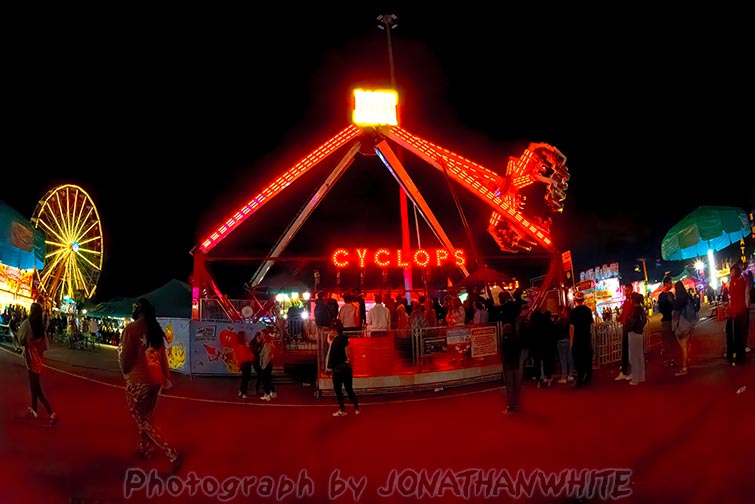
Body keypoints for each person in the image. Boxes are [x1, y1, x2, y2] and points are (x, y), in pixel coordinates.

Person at [118, 298, 181, 473]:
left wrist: (125, 371)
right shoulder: (156, 330)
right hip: (155, 380)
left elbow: (126, 358)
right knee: (144, 415)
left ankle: (171, 452)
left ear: (137, 311)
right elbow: (163, 358)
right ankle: (144, 447)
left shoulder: (132, 329)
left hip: (138, 380)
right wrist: (166, 379)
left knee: (141, 418)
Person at [18, 302, 58, 426]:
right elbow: (45, 345)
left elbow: (21, 340)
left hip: (31, 359)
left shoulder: (27, 325)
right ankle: (34, 410)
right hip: (38, 359)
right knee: (34, 386)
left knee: (36, 388)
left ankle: (51, 413)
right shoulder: (41, 327)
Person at [326, 320, 360, 416]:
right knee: (349, 388)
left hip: (338, 368)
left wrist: (329, 368)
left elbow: (331, 355)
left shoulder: (334, 342)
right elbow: (348, 352)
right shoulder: (345, 339)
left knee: (338, 389)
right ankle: (356, 408)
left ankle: (342, 409)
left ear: (334, 330)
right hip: (347, 367)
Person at [500, 302, 523, 414]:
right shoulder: (515, 339)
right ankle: (516, 404)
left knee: (509, 386)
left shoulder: (505, 341)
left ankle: (511, 406)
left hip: (508, 364)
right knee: (516, 385)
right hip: (515, 363)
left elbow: (504, 353)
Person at [569, 292, 594, 387]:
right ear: (583, 300)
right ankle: (588, 376)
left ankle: (580, 377)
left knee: (578, 358)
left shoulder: (573, 312)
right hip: (586, 337)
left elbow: (572, 328)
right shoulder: (588, 310)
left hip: (577, 338)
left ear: (575, 301)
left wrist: (571, 342)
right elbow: (591, 324)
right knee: (587, 357)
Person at [672, 280, 696, 375]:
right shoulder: (688, 297)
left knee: (683, 347)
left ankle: (684, 367)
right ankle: (689, 360)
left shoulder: (679, 300)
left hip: (683, 325)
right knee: (688, 344)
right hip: (691, 323)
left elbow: (675, 314)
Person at [728, 261, 749, 366]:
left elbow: (734, 297)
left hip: (738, 311)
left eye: (731, 272)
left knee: (738, 335)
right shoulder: (739, 281)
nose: (730, 273)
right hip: (739, 311)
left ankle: (739, 357)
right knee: (740, 335)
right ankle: (740, 357)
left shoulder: (736, 282)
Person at [625, 292, 647, 385]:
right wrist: (640, 328)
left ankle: (635, 378)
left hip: (634, 333)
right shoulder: (640, 308)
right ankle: (641, 376)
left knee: (633, 356)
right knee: (640, 355)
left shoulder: (633, 309)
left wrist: (628, 328)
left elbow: (631, 321)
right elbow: (644, 320)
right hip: (639, 333)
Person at [614, 283, 634, 381]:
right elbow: (623, 316)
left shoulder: (632, 301)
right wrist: (619, 317)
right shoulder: (626, 301)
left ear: (631, 290)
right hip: (626, 328)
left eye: (627, 290)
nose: (625, 292)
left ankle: (627, 371)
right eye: (625, 290)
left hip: (630, 328)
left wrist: (622, 319)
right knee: (626, 350)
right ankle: (626, 370)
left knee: (629, 350)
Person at [657, 276, 677, 368]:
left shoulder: (670, 294)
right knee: (666, 341)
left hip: (672, 320)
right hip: (666, 320)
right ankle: (667, 359)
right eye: (670, 283)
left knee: (672, 341)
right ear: (665, 284)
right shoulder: (662, 296)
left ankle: (672, 359)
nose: (671, 285)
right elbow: (661, 308)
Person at [554, 305, 575, 383]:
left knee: (563, 359)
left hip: (561, 341)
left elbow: (556, 331)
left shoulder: (559, 321)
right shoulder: (569, 321)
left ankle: (564, 376)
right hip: (568, 339)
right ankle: (570, 374)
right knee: (569, 358)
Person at [234, 331, 254, 398]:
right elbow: (247, 355)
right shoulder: (243, 346)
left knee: (244, 378)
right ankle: (244, 393)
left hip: (243, 364)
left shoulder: (238, 346)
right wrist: (251, 357)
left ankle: (241, 391)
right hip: (246, 363)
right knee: (246, 378)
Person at [258, 328, 277, 400]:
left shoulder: (267, 343)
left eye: (262, 334)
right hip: (268, 363)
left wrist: (263, 364)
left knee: (265, 379)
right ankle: (273, 392)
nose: (261, 335)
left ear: (265, 335)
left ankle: (267, 394)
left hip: (266, 363)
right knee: (268, 379)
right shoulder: (267, 342)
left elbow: (267, 354)